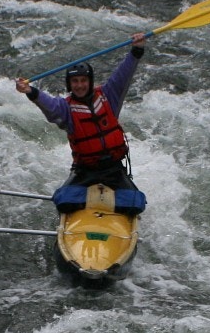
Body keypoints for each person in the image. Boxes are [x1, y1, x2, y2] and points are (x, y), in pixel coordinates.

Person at [14, 33, 149, 214]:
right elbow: (49, 104)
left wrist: (137, 50)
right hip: (85, 170)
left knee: (135, 205)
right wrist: (30, 91)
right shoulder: (66, 109)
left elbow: (123, 74)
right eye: (75, 82)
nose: (80, 85)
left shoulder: (109, 96)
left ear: (90, 81)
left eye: (83, 80)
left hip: (114, 168)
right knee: (63, 203)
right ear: (70, 85)